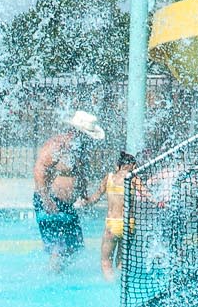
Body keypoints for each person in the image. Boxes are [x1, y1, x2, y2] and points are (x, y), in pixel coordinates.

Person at [32, 110, 103, 273]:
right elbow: (39, 170)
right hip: (51, 201)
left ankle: (57, 274)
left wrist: (83, 193)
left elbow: (80, 173)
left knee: (75, 245)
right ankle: (52, 278)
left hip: (66, 205)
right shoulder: (57, 146)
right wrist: (46, 198)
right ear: (76, 131)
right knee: (59, 246)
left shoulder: (79, 149)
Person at [99, 151, 150, 281]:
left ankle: (110, 285)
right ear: (133, 165)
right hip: (128, 224)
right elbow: (147, 194)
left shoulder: (109, 177)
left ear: (118, 166)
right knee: (122, 262)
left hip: (112, 224)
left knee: (106, 261)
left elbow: (95, 197)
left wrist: (84, 201)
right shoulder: (133, 178)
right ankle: (121, 287)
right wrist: (159, 202)